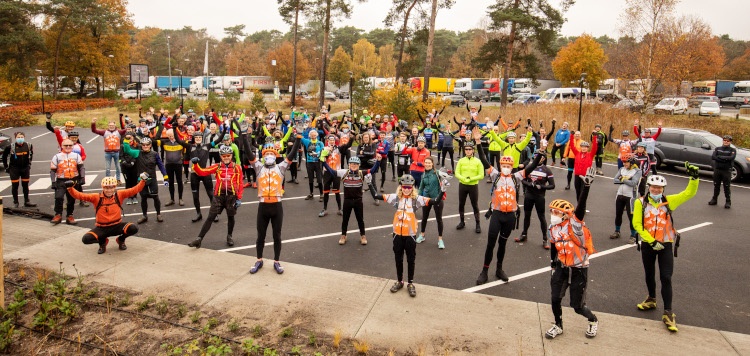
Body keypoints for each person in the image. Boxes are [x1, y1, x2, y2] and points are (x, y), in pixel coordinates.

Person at [632, 163, 700, 332]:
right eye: (654, 187)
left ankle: (668, 312)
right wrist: (651, 240)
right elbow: (637, 225)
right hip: (648, 245)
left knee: (666, 277)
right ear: (648, 187)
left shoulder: (669, 202)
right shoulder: (640, 203)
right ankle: (651, 299)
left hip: (666, 244)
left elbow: (689, 193)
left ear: (663, 189)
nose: (656, 190)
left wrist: (694, 179)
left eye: (660, 188)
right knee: (649, 274)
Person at [474, 129, 543, 284]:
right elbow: (484, 160)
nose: (505, 167)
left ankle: (499, 269)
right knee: (491, 244)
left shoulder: (516, 177)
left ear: (512, 166)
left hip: (510, 216)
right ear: (500, 165)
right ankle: (484, 271)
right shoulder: (495, 175)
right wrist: (478, 142)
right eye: (503, 165)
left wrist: (540, 152)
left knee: (503, 244)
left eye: (508, 165)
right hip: (497, 214)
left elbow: (531, 167)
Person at [368, 174, 444, 297]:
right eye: (404, 187)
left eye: (409, 187)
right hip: (397, 234)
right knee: (398, 258)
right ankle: (399, 281)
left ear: (412, 187)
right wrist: (369, 183)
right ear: (401, 187)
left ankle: (410, 283)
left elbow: (435, 201)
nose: (406, 189)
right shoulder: (395, 198)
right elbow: (376, 196)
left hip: (410, 235)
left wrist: (443, 190)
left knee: (410, 259)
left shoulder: (417, 199)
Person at [544, 169, 599, 340]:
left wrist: (586, 187)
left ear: (566, 215)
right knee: (555, 298)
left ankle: (593, 320)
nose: (553, 215)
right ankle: (558, 325)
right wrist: (553, 264)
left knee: (577, 306)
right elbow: (554, 246)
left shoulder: (575, 226)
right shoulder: (552, 229)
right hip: (561, 266)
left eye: (556, 212)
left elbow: (580, 210)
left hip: (578, 269)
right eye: (552, 211)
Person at [245, 124, 303, 275]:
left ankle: (277, 261)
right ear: (263, 156)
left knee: (277, 235)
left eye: (272, 154)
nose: (269, 156)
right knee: (261, 236)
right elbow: (249, 154)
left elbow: (291, 154)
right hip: (263, 206)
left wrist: (299, 136)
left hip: (277, 206)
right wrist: (245, 135)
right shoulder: (258, 168)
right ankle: (259, 260)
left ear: (276, 155)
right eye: (266, 154)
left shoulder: (281, 167)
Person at [66, 175, 147, 254]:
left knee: (133, 228)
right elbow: (80, 196)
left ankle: (121, 240)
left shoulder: (119, 195)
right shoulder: (96, 197)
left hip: (117, 226)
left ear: (115, 187)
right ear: (102, 188)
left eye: (111, 187)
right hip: (102, 228)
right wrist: (70, 188)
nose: (109, 190)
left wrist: (143, 181)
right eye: (106, 188)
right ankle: (103, 242)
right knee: (86, 239)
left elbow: (134, 190)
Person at [187, 146, 244, 248]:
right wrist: (195, 165)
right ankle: (199, 239)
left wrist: (239, 198)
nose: (226, 157)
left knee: (231, 217)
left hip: (231, 197)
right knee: (210, 217)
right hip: (218, 197)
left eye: (228, 155)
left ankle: (229, 236)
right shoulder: (217, 167)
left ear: (231, 156)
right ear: (220, 156)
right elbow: (202, 172)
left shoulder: (237, 168)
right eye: (224, 156)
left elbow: (240, 183)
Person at [322, 156, 381, 245]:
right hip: (347, 200)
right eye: (352, 164)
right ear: (349, 165)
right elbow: (332, 172)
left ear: (359, 165)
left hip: (358, 200)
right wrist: (324, 163)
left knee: (360, 219)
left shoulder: (361, 173)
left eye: (356, 164)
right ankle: (343, 235)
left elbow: (372, 170)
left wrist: (378, 161)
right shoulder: (344, 173)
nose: (354, 166)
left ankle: (363, 235)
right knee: (345, 219)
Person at [515, 147, 555, 249]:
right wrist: (529, 184)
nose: (538, 158)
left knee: (541, 217)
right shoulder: (529, 167)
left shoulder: (547, 170)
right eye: (536, 156)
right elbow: (522, 180)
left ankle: (545, 239)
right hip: (529, 195)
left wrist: (542, 187)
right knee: (527, 216)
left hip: (540, 196)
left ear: (544, 158)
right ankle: (524, 234)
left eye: (540, 157)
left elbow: (552, 185)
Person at [122, 137, 168, 224]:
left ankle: (158, 214)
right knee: (143, 198)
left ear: (150, 145)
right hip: (142, 180)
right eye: (143, 145)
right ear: (141, 145)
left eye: (147, 145)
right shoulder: (137, 153)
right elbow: (127, 150)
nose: (145, 146)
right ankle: (144, 215)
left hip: (152, 178)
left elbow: (161, 165)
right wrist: (126, 141)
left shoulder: (155, 154)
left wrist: (165, 176)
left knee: (155, 197)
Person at [181, 131, 217, 222]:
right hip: (194, 174)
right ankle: (198, 214)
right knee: (195, 196)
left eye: (199, 137)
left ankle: (214, 214)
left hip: (206, 173)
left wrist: (224, 130)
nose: (198, 139)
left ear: (202, 138)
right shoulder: (190, 147)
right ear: (194, 138)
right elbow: (179, 141)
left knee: (211, 194)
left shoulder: (207, 146)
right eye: (196, 137)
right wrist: (174, 128)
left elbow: (218, 140)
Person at [49, 139, 85, 225]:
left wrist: (82, 178)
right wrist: (53, 182)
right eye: (66, 145)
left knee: (71, 199)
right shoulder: (57, 157)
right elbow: (53, 171)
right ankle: (58, 214)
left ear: (72, 146)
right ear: (62, 146)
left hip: (73, 179)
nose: (68, 147)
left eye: (70, 145)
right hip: (61, 180)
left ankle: (70, 215)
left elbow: (81, 168)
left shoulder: (76, 156)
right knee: (58, 197)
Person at [416, 157, 448, 249]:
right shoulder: (423, 174)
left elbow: (446, 178)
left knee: (439, 219)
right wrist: (418, 197)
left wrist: (445, 180)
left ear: (432, 164)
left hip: (437, 199)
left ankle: (440, 239)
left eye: (429, 163)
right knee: (424, 217)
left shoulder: (437, 173)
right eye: (426, 162)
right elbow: (421, 187)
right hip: (426, 199)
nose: (427, 164)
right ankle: (422, 235)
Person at [318, 134, 354, 217]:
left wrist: (351, 138)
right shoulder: (324, 148)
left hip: (336, 172)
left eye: (333, 140)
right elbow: (321, 159)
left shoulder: (339, 148)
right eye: (330, 140)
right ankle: (325, 209)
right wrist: (327, 152)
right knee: (326, 191)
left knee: (337, 191)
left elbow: (348, 145)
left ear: (335, 141)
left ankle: (339, 209)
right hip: (327, 172)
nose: (331, 141)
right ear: (327, 141)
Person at [153, 125, 189, 206]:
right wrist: (160, 128)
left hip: (178, 164)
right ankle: (172, 199)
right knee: (170, 182)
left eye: (172, 135)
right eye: (169, 136)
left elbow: (186, 151)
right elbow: (154, 141)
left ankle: (180, 198)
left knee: (180, 182)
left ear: (175, 135)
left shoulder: (180, 142)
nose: (171, 137)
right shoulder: (164, 142)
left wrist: (184, 164)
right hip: (168, 165)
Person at [454, 140, 484, 233]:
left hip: (473, 186)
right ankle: (462, 222)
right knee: (461, 204)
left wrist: (471, 178)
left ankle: (478, 223)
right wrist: (463, 178)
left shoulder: (478, 161)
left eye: (469, 149)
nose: (467, 151)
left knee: (474, 205)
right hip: (462, 185)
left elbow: (481, 175)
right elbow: (457, 173)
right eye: (466, 149)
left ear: (473, 150)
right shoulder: (461, 160)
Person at [610, 155, 642, 243]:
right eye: (623, 162)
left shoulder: (637, 171)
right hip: (620, 194)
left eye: (626, 162)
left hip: (631, 196)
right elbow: (615, 180)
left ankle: (633, 235)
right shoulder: (621, 169)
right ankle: (617, 231)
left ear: (631, 163)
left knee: (631, 216)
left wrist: (622, 179)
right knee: (618, 214)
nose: (624, 164)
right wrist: (625, 179)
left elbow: (633, 183)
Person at [2, 132, 37, 208]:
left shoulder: (28, 145)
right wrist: (6, 167)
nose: (20, 138)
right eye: (18, 137)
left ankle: (27, 201)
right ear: (15, 138)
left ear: (24, 137)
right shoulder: (10, 147)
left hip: (25, 168)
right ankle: (16, 202)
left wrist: (29, 164)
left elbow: (31, 154)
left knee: (25, 185)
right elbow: (4, 157)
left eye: (21, 137)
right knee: (15, 186)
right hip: (14, 169)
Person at [91, 117, 127, 183]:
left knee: (118, 167)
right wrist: (93, 123)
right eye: (110, 125)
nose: (111, 126)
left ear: (115, 125)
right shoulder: (105, 132)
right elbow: (94, 130)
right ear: (108, 126)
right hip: (108, 153)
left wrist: (126, 123)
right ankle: (108, 180)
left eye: (112, 125)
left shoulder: (119, 132)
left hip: (117, 152)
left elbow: (125, 130)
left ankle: (118, 179)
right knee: (107, 168)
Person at [709, 135, 735, 209]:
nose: (726, 142)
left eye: (728, 141)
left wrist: (720, 157)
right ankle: (714, 199)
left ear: (730, 142)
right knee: (716, 185)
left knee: (726, 186)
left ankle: (728, 202)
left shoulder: (732, 150)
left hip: (726, 171)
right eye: (725, 140)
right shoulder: (717, 149)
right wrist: (724, 159)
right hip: (717, 170)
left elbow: (731, 158)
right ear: (723, 141)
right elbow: (713, 157)